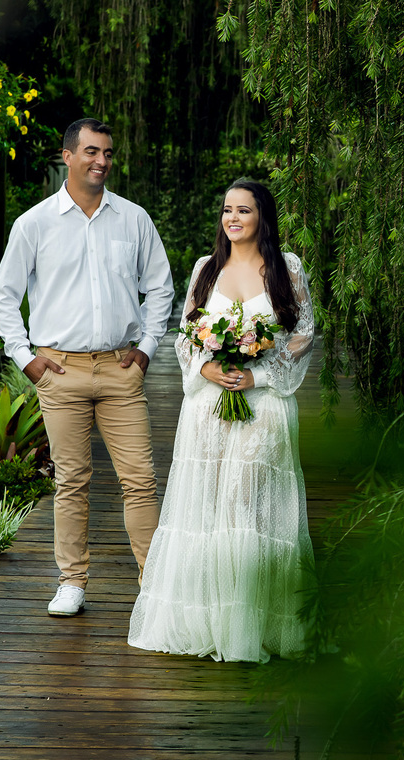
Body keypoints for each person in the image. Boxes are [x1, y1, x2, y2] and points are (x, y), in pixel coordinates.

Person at [0, 118, 174, 617]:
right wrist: (27, 360)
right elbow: (4, 296)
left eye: (108, 153)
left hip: (120, 369)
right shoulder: (35, 223)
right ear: (67, 156)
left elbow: (160, 286)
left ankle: (152, 582)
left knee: (140, 479)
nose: (102, 161)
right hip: (61, 372)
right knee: (71, 479)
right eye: (91, 151)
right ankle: (72, 581)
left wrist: (148, 348)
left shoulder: (134, 220)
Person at [128, 179, 315, 662]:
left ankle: (254, 620)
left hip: (264, 403)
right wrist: (207, 366)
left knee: (246, 502)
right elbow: (188, 335)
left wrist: (260, 376)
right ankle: (206, 616)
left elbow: (303, 334)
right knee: (208, 504)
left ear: (262, 218)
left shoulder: (286, 268)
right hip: (208, 405)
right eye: (227, 210)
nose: (233, 219)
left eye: (244, 211)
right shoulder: (206, 269)